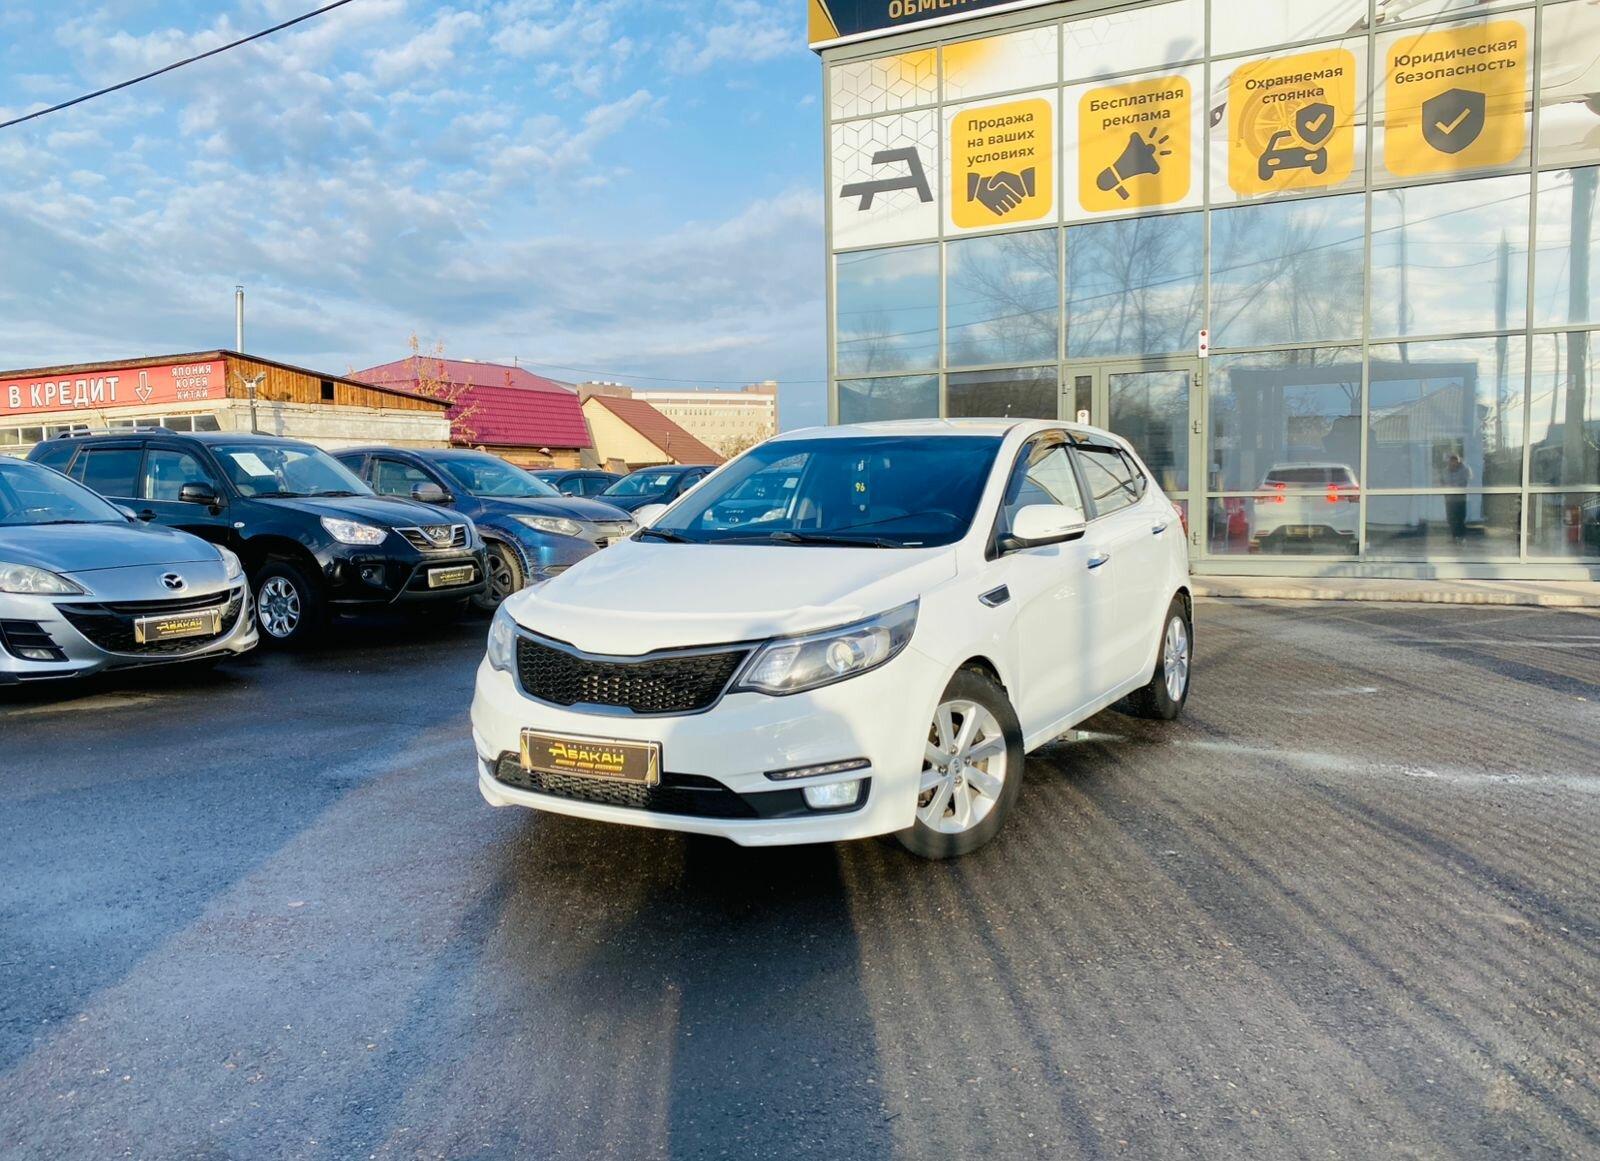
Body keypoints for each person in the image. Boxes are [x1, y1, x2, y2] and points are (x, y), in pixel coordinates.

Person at [1442, 453, 1472, 543]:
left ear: (1459, 461)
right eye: (1451, 462)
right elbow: (1444, 481)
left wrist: (1455, 485)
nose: (1453, 463)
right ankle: (1454, 537)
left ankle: (1462, 537)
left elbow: (1465, 481)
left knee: (1460, 518)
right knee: (1451, 518)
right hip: (1449, 498)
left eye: (1455, 461)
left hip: (1460, 498)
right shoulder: (1446, 470)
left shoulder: (1465, 470)